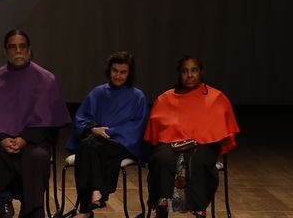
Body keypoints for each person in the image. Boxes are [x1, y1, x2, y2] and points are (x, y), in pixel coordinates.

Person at [0, 29, 70, 218]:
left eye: (22, 46)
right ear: (5, 51)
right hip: (0, 144)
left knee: (38, 157)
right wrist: (1, 139)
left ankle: (31, 213)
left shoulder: (46, 79)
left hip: (33, 142)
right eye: (12, 47)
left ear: (29, 49)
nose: (18, 51)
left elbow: (49, 123)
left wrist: (25, 138)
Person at [144, 56, 239, 218]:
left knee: (198, 159)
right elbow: (156, 130)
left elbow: (222, 130)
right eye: (185, 71)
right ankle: (162, 202)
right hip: (170, 145)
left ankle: (199, 207)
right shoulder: (166, 98)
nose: (189, 75)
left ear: (201, 73)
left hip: (202, 145)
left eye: (194, 70)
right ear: (179, 74)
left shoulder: (216, 98)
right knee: (161, 158)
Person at [69, 52, 147, 218]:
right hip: (96, 141)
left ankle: (85, 209)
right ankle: (96, 192)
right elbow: (81, 119)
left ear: (129, 73)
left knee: (88, 146)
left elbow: (136, 127)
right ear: (109, 70)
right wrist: (93, 129)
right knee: (88, 145)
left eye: (123, 72)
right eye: (115, 70)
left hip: (122, 143)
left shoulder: (137, 96)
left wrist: (109, 132)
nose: (118, 75)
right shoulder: (98, 93)